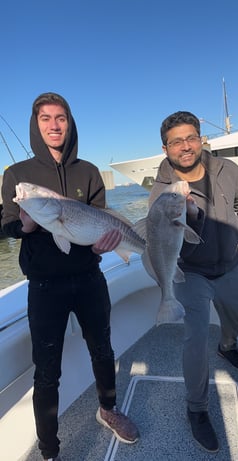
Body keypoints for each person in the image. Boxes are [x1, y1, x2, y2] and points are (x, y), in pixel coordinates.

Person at [1, 93, 139, 461]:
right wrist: (25, 226)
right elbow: (5, 225)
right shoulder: (17, 175)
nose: (53, 125)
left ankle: (108, 409)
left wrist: (104, 246)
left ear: (70, 121)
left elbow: (102, 221)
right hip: (45, 287)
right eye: (45, 118)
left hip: (90, 278)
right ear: (36, 124)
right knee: (47, 371)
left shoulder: (89, 171)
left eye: (60, 117)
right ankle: (49, 449)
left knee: (103, 350)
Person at [149, 111, 238, 453]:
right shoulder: (163, 191)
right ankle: (197, 409)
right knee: (194, 340)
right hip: (190, 273)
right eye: (176, 141)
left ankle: (228, 345)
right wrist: (187, 215)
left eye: (191, 137)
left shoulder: (228, 171)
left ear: (201, 139)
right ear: (166, 148)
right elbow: (154, 238)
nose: (185, 146)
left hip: (230, 265)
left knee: (236, 316)